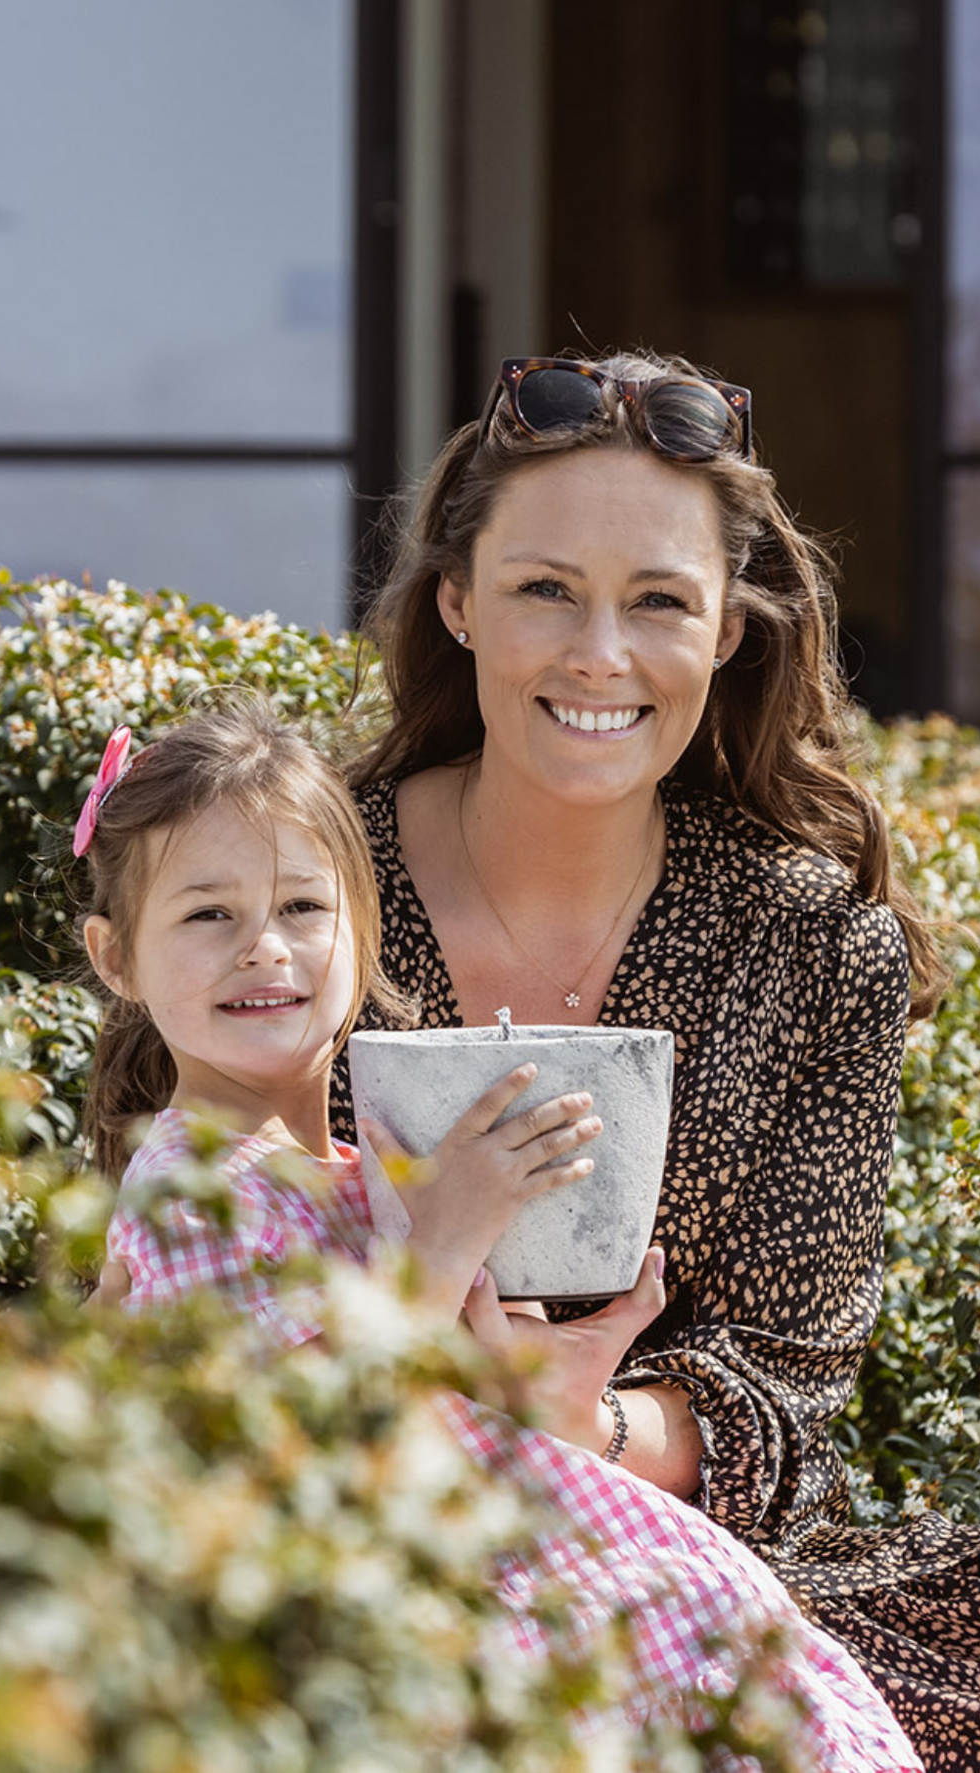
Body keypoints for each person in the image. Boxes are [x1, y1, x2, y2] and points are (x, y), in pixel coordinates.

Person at [328, 350, 980, 1772]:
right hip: (347, 1526)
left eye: (659, 600)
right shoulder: (303, 884)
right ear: (457, 602)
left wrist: (584, 1422)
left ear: (726, 633)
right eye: (546, 589)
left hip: (682, 1558)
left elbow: (785, 1386)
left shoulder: (812, 939)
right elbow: (183, 1220)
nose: (602, 654)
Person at [74, 700, 924, 1770]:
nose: (266, 948)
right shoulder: (189, 1185)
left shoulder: (355, 1170)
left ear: (362, 930)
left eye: (303, 905)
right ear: (116, 958)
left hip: (484, 1550)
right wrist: (442, 1240)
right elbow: (284, 1451)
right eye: (207, 915)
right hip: (374, 1612)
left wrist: (538, 1378)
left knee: (736, 1658)